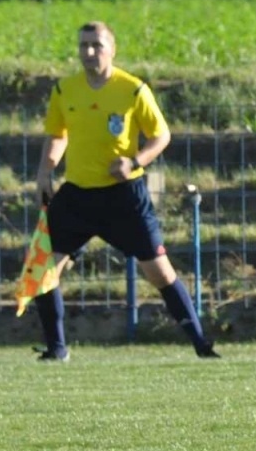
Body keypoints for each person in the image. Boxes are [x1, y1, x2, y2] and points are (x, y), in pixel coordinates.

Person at [30, 21, 218, 361]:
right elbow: (58, 134)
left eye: (96, 45)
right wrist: (45, 171)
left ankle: (201, 344)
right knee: (44, 268)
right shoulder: (65, 90)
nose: (89, 52)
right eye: (83, 45)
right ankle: (57, 350)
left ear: (112, 50)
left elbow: (161, 136)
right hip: (77, 196)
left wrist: (134, 161)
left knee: (159, 272)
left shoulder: (132, 89)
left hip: (123, 196)